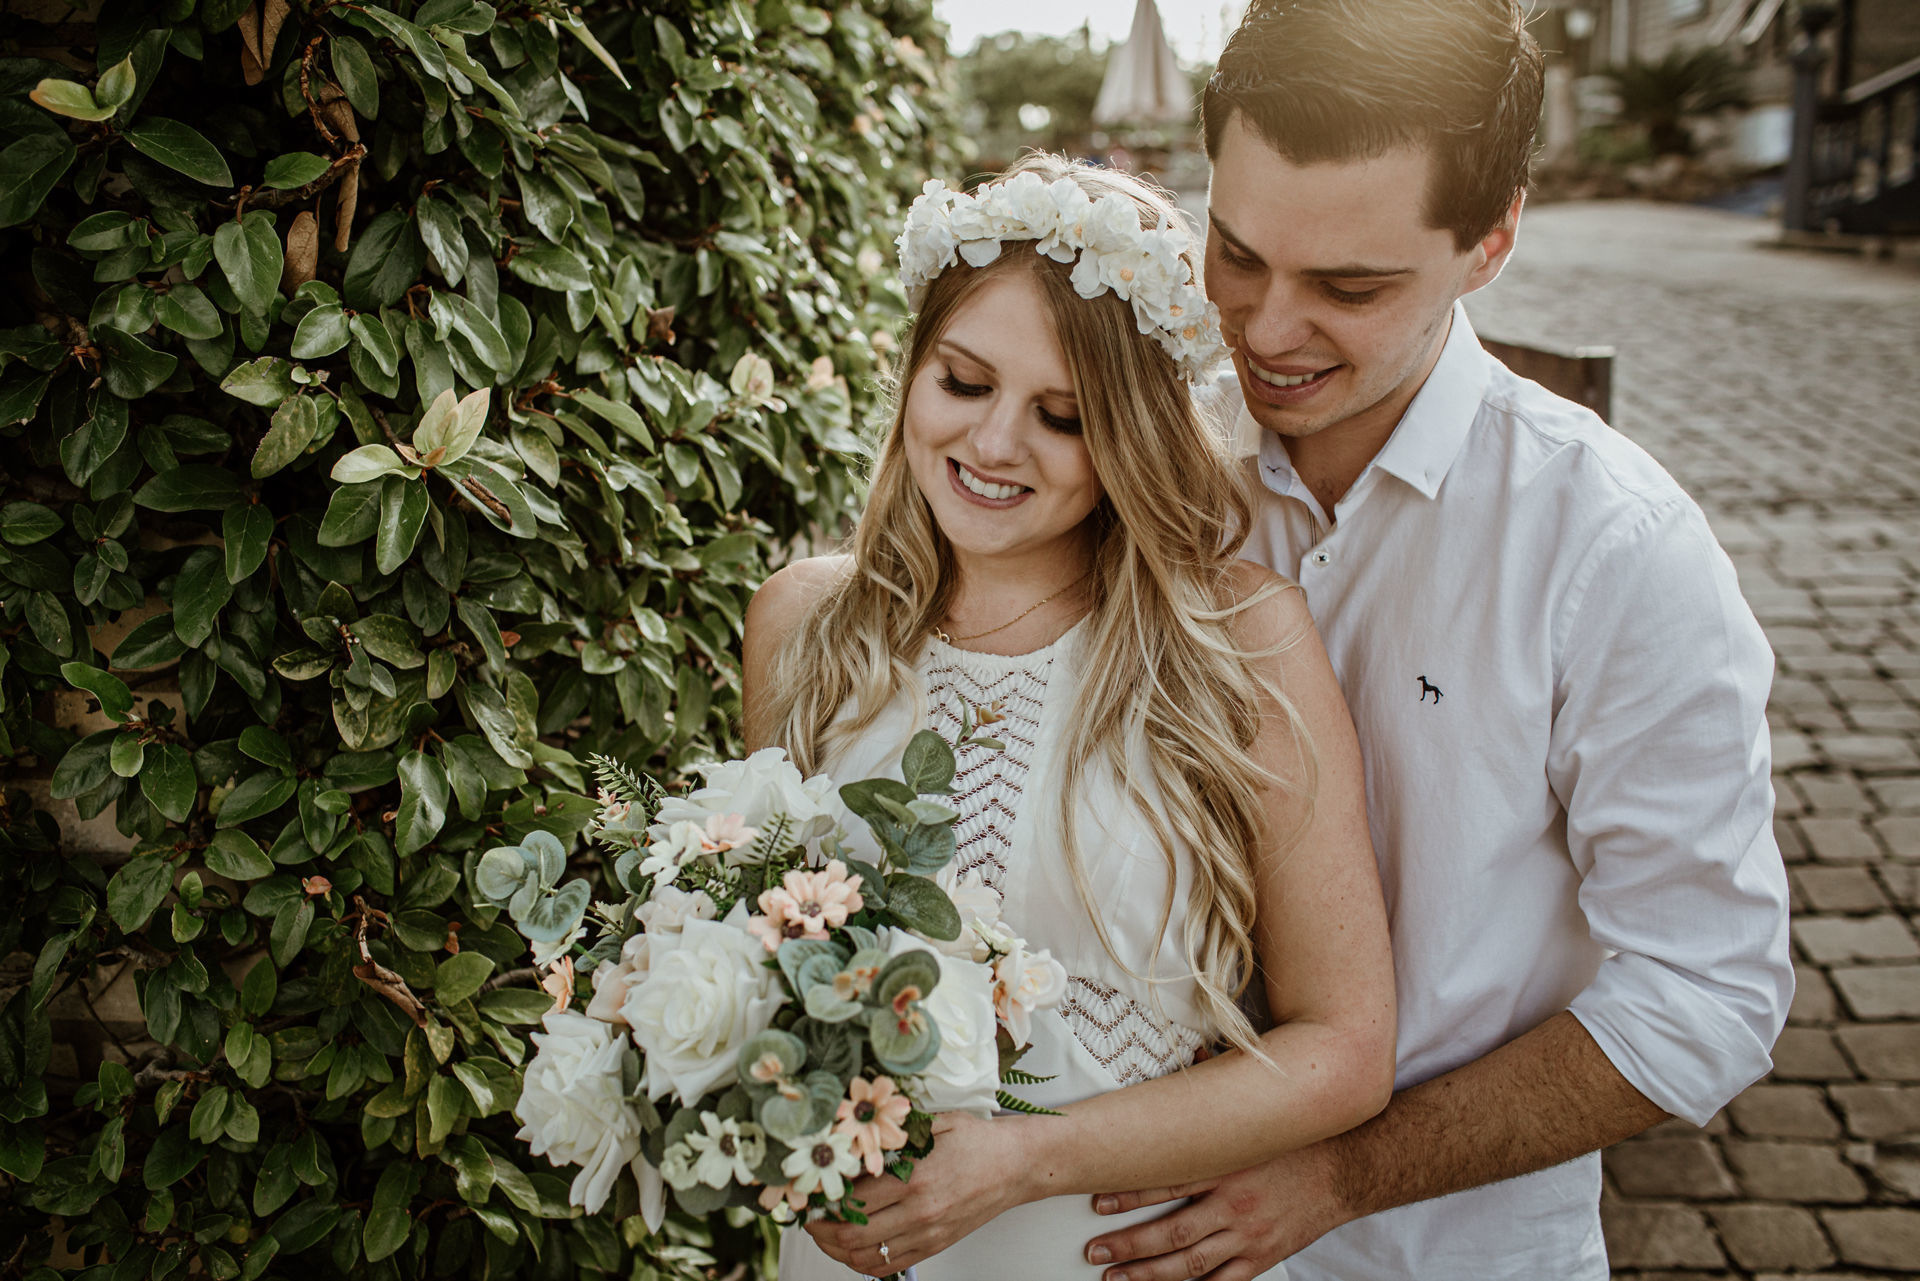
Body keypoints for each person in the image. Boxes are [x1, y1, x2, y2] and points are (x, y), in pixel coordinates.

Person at [1082, 3, 1794, 1279]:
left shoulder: (1615, 549)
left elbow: (1709, 995)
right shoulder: (1142, 460)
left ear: (1492, 240)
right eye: (1236, 253)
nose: (1265, 330)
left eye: (1349, 288)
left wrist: (1347, 1177)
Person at [741, 155, 1396, 1280]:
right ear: (913, 369)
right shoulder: (803, 624)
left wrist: (1023, 1160)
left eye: (1062, 415)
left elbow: (1345, 1049)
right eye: (963, 382)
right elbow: (771, 956)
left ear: (1132, 436)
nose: (995, 444)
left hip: (1104, 1248)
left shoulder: (1236, 640)